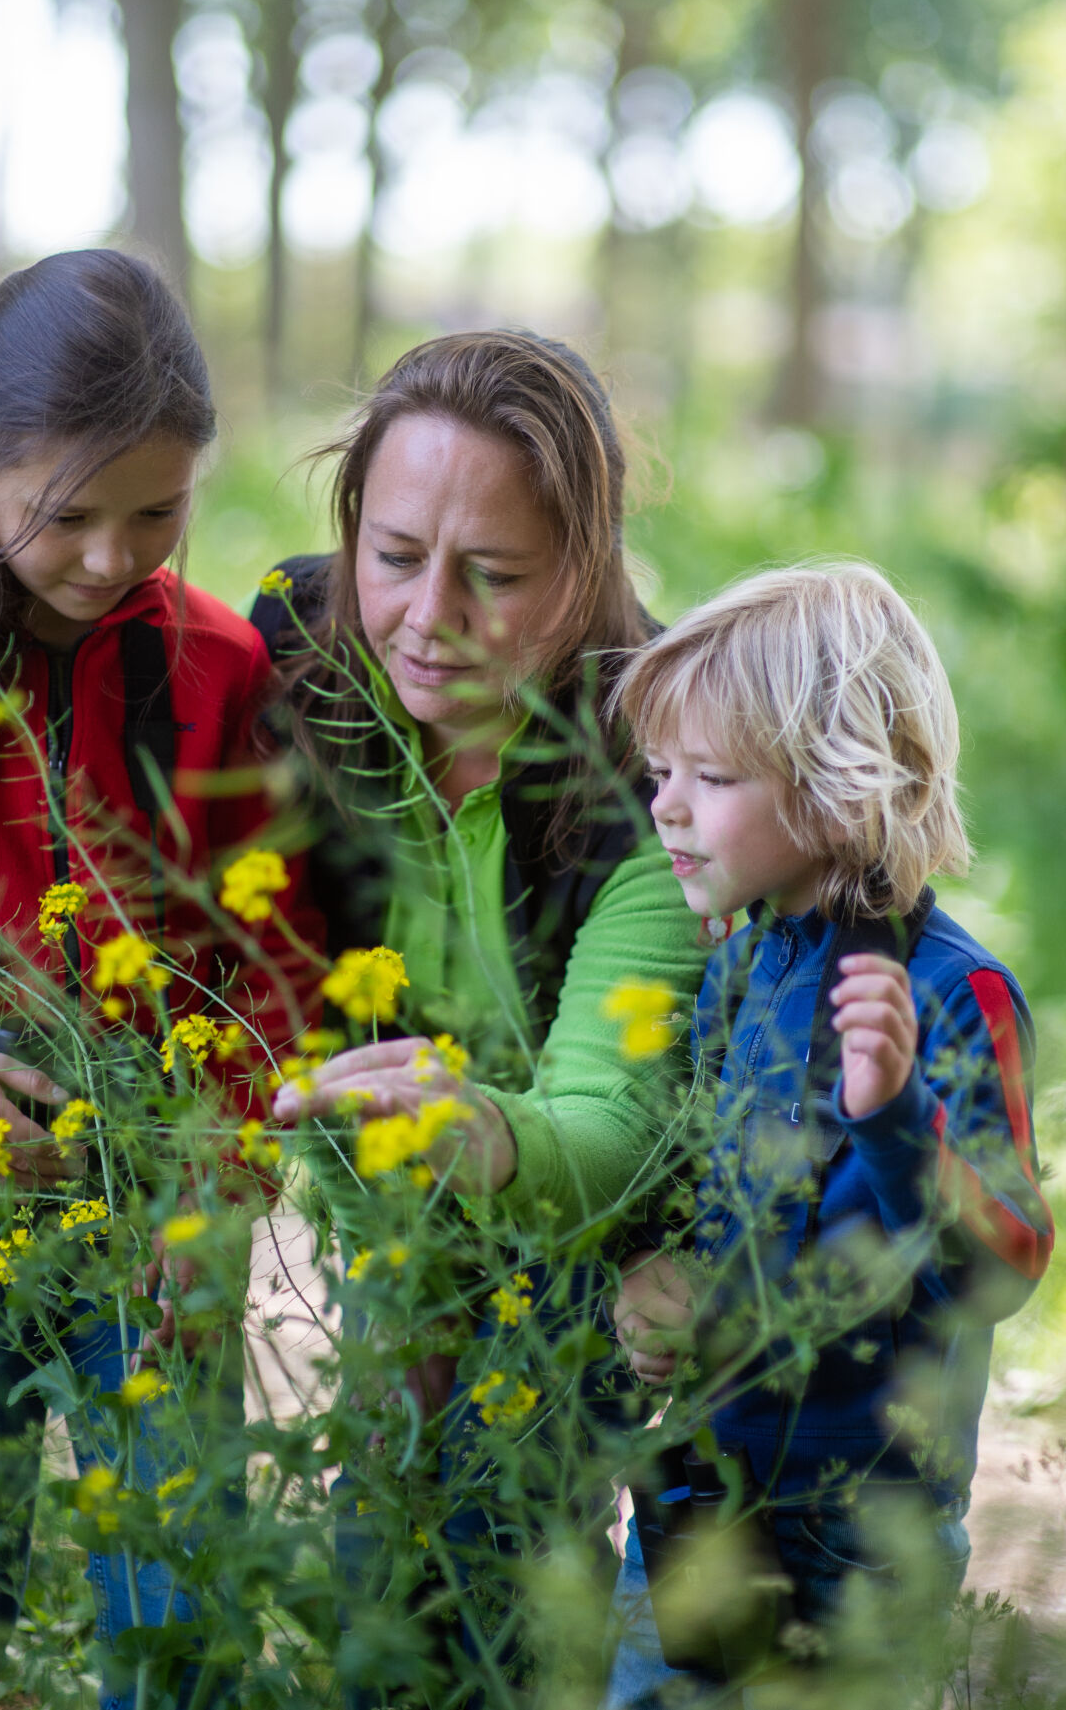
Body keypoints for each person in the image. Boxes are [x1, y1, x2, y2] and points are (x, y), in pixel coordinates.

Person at [0, 249, 315, 1709]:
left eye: (159, 511)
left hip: (156, 1181)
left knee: (182, 1569)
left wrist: (223, 1160)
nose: (111, 557)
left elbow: (269, 961)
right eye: (65, 514)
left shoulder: (217, 665)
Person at [254, 330, 709, 1686]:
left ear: (585, 569)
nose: (426, 614)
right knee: (381, 1556)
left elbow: (608, 1117)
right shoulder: (295, 653)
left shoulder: (659, 761)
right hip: (390, 1211)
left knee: (519, 1553)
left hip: (578, 1238)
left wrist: (486, 1135)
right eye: (393, 557)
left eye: (494, 576)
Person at [603, 561, 1054, 1705]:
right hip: (705, 1497)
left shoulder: (956, 995)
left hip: (863, 1540)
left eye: (710, 777)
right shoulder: (743, 966)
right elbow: (712, 1209)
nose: (665, 806)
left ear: (842, 786)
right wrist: (663, 1293)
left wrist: (897, 1116)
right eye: (663, 774)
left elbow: (1004, 1265)